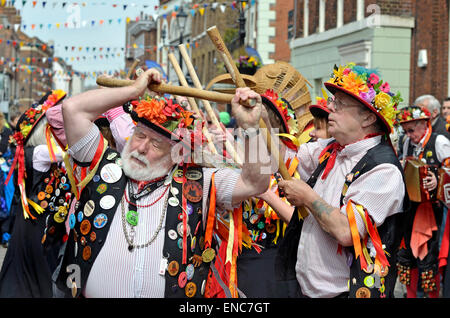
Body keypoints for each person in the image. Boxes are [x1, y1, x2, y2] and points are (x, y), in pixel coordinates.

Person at [53, 68, 271, 298]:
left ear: (175, 154)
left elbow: (255, 184)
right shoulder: (102, 165)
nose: (142, 147)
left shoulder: (200, 182)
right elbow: (72, 109)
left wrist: (251, 129)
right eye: (139, 136)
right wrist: (134, 90)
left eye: (156, 144)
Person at [275, 63, 408, 298]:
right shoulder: (332, 149)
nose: (329, 108)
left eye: (339, 104)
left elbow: (346, 231)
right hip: (304, 290)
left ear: (368, 118)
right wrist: (257, 119)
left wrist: (306, 195)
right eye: (332, 101)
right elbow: (277, 156)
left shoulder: (384, 171)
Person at [0, 90, 70, 297]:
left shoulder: (38, 153)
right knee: (36, 271)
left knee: (33, 269)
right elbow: (72, 150)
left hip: (39, 221)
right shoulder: (39, 153)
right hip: (36, 222)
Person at [396, 105, 450, 298]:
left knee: (429, 258)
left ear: (424, 124)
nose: (408, 135)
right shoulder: (406, 142)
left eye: (411, 130)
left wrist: (437, 179)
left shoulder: (440, 141)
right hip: (411, 208)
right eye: (405, 131)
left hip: (433, 212)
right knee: (408, 255)